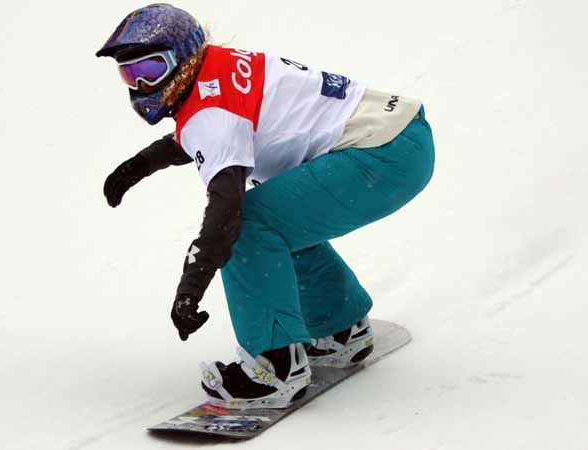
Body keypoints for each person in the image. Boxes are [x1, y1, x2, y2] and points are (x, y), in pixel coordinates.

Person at [96, 3, 434, 410]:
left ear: (183, 57)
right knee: (279, 216)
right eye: (129, 73)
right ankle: (340, 329)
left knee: (248, 226)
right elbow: (212, 128)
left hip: (381, 156)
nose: (141, 84)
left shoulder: (211, 110)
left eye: (152, 68)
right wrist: (143, 163)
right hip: (402, 140)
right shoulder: (217, 66)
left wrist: (190, 288)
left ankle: (275, 369)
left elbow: (225, 208)